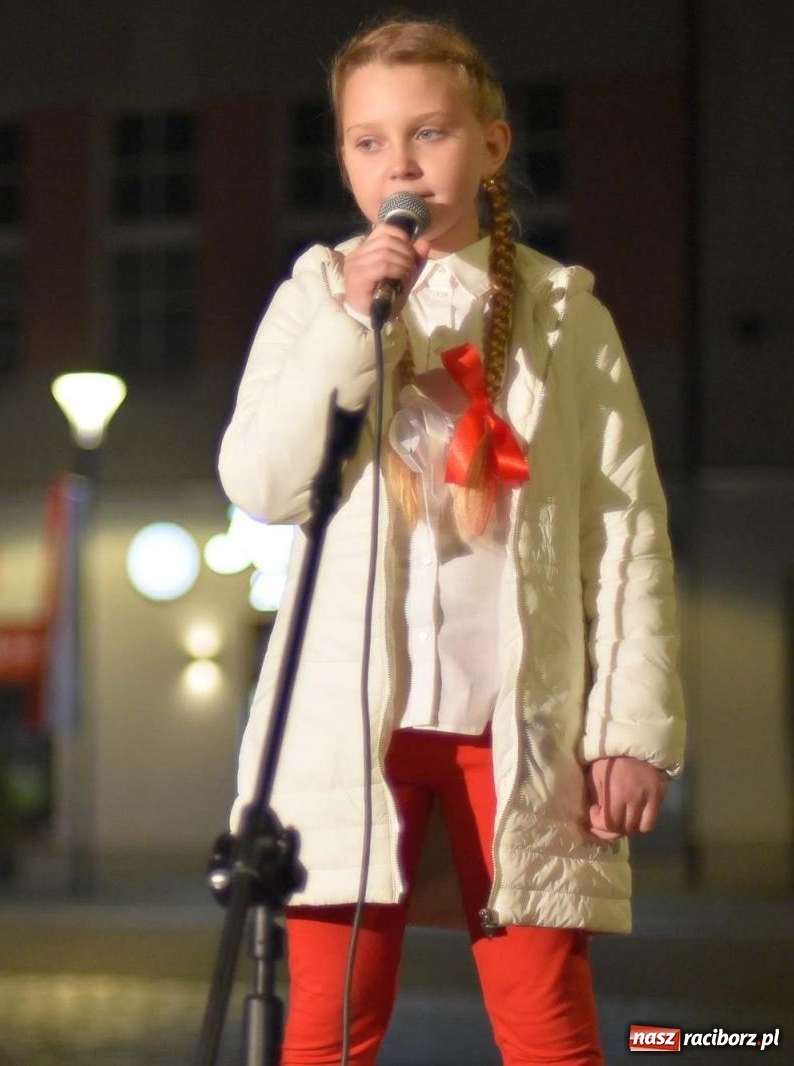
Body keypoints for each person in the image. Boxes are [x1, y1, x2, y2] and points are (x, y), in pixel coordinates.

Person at [218, 17, 683, 1065]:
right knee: (326, 1030)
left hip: (514, 725)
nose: (398, 163)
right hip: (351, 729)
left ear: (492, 144)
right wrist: (350, 319)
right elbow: (261, 481)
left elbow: (624, 531)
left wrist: (629, 726)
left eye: (427, 133)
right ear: (340, 156)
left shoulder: (565, 317)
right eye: (367, 140)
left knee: (546, 1023)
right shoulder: (314, 297)